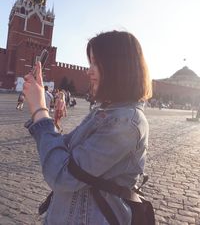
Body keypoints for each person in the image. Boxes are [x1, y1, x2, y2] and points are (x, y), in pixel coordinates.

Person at [23, 30, 152, 225]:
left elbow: (62, 174)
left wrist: (40, 111)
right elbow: (63, 149)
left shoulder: (126, 122)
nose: (88, 70)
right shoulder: (105, 113)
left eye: (95, 63)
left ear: (117, 67)